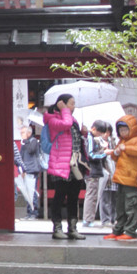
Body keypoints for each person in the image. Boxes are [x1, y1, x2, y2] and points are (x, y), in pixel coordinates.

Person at [43, 94, 85, 240]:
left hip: (74, 164)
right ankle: (57, 228)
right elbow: (65, 124)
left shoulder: (73, 120)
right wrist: (64, 110)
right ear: (62, 104)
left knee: (74, 197)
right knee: (59, 196)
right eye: (71, 103)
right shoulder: (53, 120)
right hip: (61, 164)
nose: (73, 106)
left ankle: (72, 228)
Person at [104, 115, 137, 241]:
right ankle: (118, 230)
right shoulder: (121, 141)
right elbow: (115, 157)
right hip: (120, 178)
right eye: (120, 130)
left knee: (130, 206)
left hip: (131, 180)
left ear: (131, 129)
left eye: (125, 130)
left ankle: (130, 231)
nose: (122, 132)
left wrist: (125, 148)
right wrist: (115, 152)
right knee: (120, 207)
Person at [82, 120, 109, 227]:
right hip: (92, 171)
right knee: (91, 195)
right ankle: (88, 219)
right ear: (94, 129)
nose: (99, 135)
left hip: (93, 171)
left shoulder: (91, 138)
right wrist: (103, 153)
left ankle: (89, 218)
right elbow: (91, 155)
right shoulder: (89, 138)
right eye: (99, 133)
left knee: (92, 195)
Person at [17, 126, 45, 219]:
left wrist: (25, 141)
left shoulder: (33, 141)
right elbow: (20, 157)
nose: (22, 135)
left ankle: (34, 212)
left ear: (28, 133)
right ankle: (29, 212)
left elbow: (31, 150)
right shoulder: (24, 143)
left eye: (23, 133)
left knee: (31, 192)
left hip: (32, 169)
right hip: (26, 169)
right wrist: (20, 169)